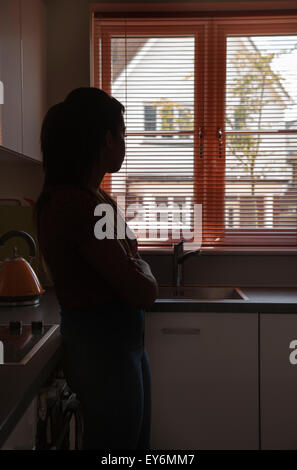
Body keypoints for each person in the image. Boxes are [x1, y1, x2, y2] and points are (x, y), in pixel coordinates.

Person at [34, 87, 158, 450]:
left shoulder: (96, 199)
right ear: (106, 139)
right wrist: (142, 268)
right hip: (104, 352)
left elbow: (132, 264)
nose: (124, 143)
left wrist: (137, 266)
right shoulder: (77, 206)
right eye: (122, 135)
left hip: (121, 346)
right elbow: (143, 290)